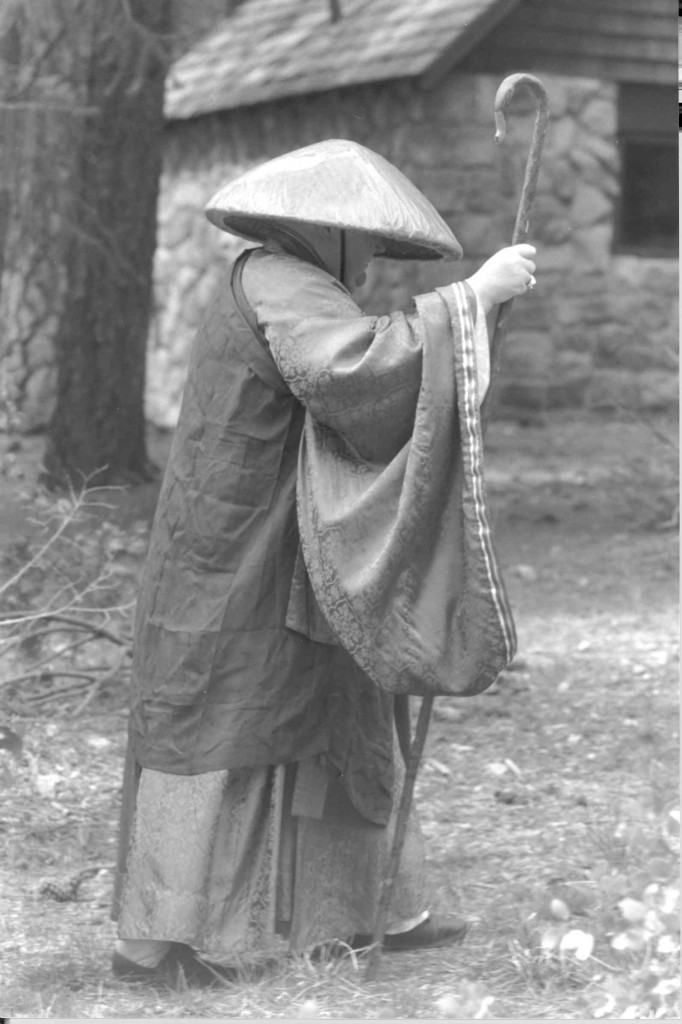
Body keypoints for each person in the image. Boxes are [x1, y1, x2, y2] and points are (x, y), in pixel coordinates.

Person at [111, 139, 537, 987]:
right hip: (243, 547)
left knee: (329, 707)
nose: (372, 260)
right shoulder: (282, 277)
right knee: (233, 714)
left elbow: (356, 377)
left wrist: (465, 323)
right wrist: (471, 300)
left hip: (271, 534)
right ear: (322, 229)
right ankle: (179, 937)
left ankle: (363, 908)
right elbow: (350, 369)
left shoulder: (280, 278)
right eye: (365, 242)